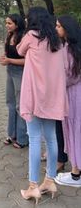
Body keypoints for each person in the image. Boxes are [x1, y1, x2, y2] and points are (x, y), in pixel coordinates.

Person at [17, 7, 68, 203]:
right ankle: (50, 180)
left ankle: (32, 186)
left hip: (35, 96)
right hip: (53, 97)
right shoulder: (56, 40)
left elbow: (20, 50)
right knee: (52, 139)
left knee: (35, 139)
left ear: (32, 19)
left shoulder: (31, 35)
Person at [55, 15, 81, 188]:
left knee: (74, 131)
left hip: (72, 96)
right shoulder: (73, 48)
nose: (56, 29)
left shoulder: (68, 50)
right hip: (75, 94)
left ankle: (75, 175)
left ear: (67, 29)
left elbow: (69, 77)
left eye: (58, 26)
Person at [0, 14, 28, 149]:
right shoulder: (9, 36)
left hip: (21, 73)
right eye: (6, 23)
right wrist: (5, 57)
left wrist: (10, 60)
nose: (7, 25)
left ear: (17, 24)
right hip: (10, 71)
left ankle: (22, 138)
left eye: (9, 23)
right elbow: (8, 53)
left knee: (20, 105)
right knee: (10, 103)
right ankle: (12, 134)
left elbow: (27, 60)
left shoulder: (24, 38)